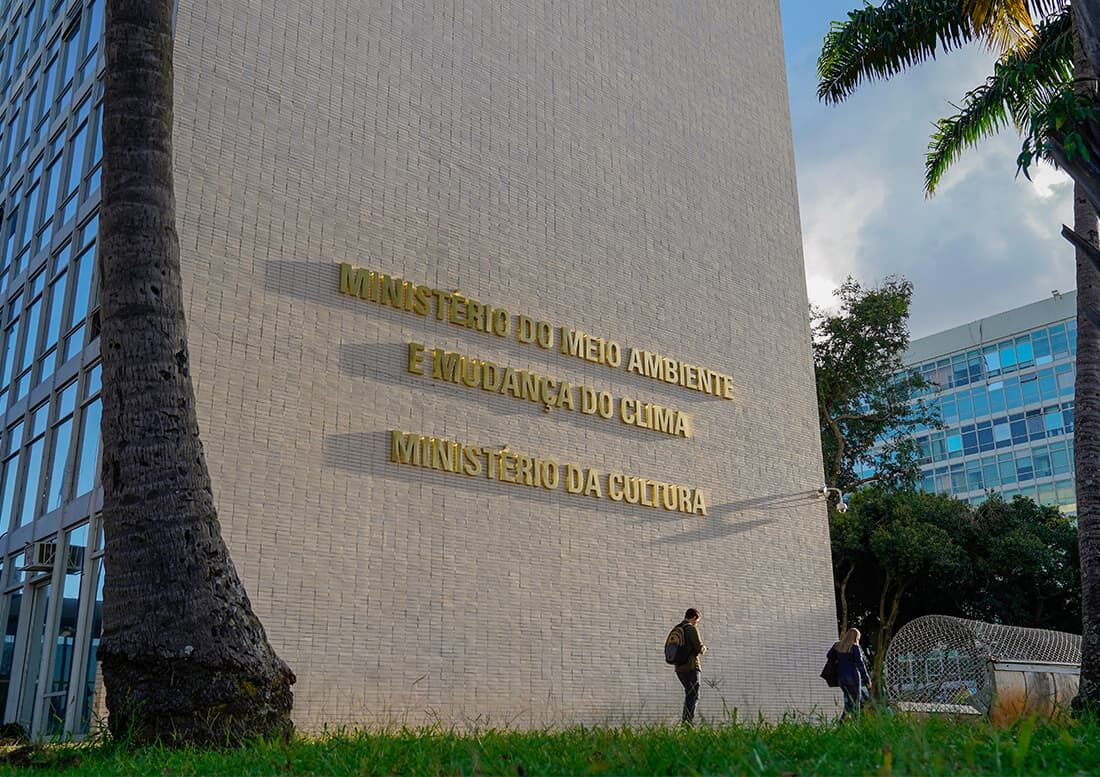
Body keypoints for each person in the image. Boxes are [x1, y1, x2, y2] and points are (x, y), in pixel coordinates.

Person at [673, 608, 707, 725]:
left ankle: (686, 722)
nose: (697, 623)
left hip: (679, 668)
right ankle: (687, 723)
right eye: (697, 621)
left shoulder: (677, 629)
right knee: (693, 695)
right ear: (694, 618)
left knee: (689, 694)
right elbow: (699, 648)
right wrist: (704, 649)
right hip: (691, 667)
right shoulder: (691, 629)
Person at [828, 628, 871, 719]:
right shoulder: (855, 647)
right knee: (856, 703)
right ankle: (856, 725)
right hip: (853, 678)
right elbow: (860, 664)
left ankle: (841, 725)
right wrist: (867, 679)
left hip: (841, 678)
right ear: (856, 637)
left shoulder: (837, 645)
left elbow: (829, 655)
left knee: (848, 702)